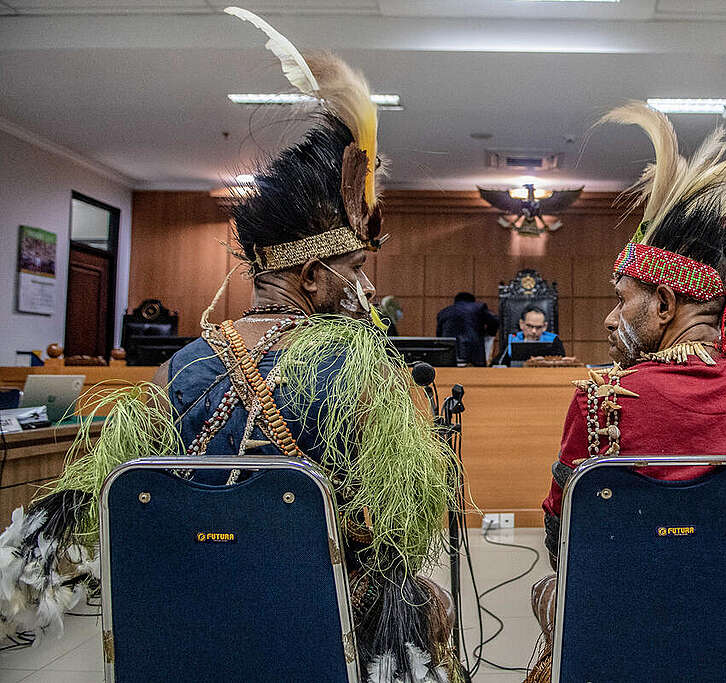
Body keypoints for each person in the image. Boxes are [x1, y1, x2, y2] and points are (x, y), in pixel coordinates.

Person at [0, 10, 462, 682]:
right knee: (429, 607)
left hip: (186, 626)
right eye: (355, 270)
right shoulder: (363, 368)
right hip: (312, 630)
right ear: (310, 274)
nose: (364, 286)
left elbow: (105, 495)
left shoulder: (176, 368)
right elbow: (401, 522)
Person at [524, 104, 726, 683]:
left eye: (624, 299)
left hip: (622, 647)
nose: (613, 318)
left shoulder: (604, 401)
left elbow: (565, 539)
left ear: (666, 305)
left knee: (547, 592)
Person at [435, 292, 499, 366]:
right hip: (473, 351)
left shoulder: (444, 312)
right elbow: (495, 321)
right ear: (472, 301)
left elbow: (439, 337)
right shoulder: (479, 307)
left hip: (449, 353)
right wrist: (489, 334)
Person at [496, 305, 566, 364]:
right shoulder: (512, 339)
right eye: (529, 326)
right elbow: (498, 364)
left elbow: (561, 365)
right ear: (521, 324)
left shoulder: (553, 340)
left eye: (538, 327)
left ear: (545, 327)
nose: (534, 331)